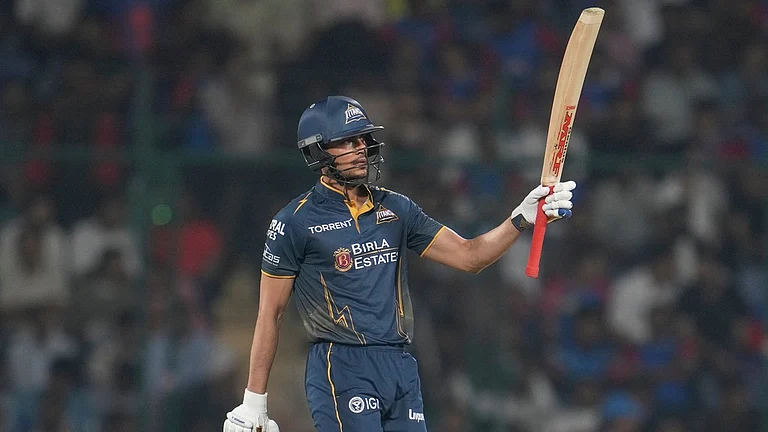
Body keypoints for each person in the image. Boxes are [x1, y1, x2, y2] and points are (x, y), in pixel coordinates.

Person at [223, 96, 576, 432]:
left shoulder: (397, 209)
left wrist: (522, 217)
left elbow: (470, 257)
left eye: (363, 139)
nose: (361, 148)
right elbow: (271, 313)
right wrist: (254, 401)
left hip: (400, 366)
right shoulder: (294, 223)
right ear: (318, 151)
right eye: (346, 142)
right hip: (341, 366)